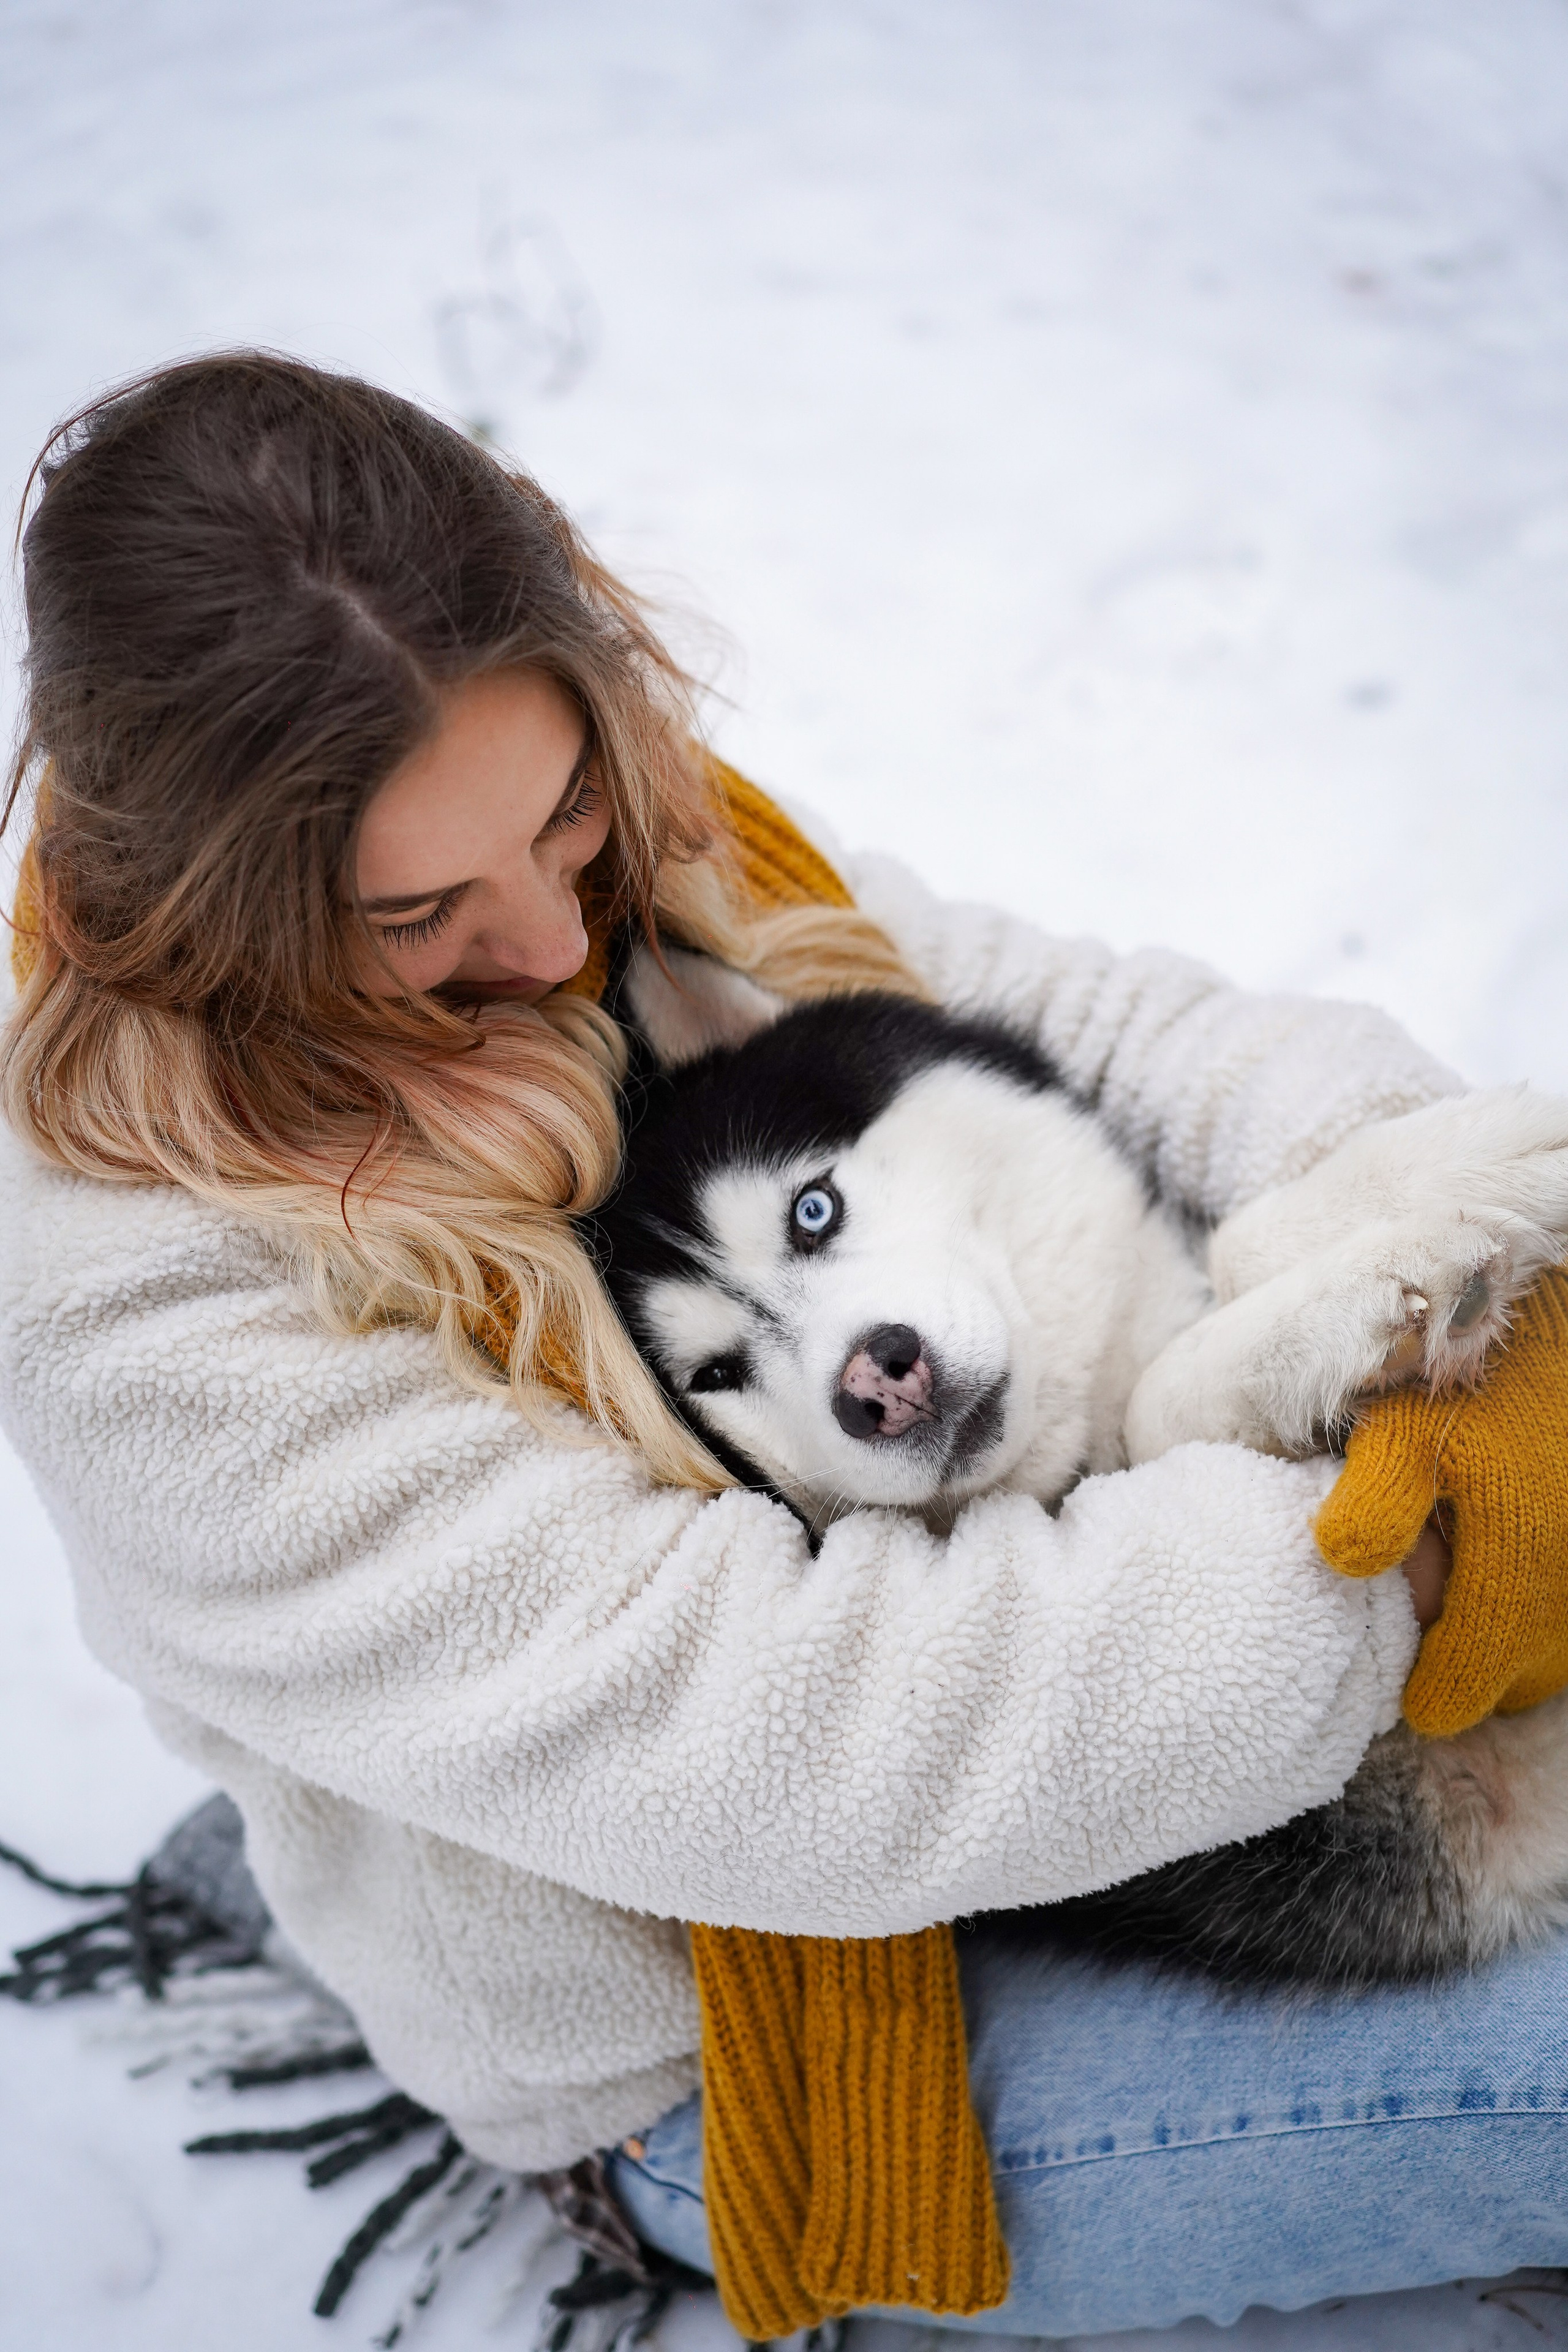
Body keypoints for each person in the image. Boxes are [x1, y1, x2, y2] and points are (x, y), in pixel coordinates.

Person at [2, 353, 1567, 2341]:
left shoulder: (633, 848)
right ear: (217, 921)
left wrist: (1438, 1224)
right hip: (764, 2049)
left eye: (567, 814)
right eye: (418, 918)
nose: (555, 946)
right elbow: (789, 1745)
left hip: (1111, 1723)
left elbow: (1085, 1024)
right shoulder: (141, 1297)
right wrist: (1392, 1547)